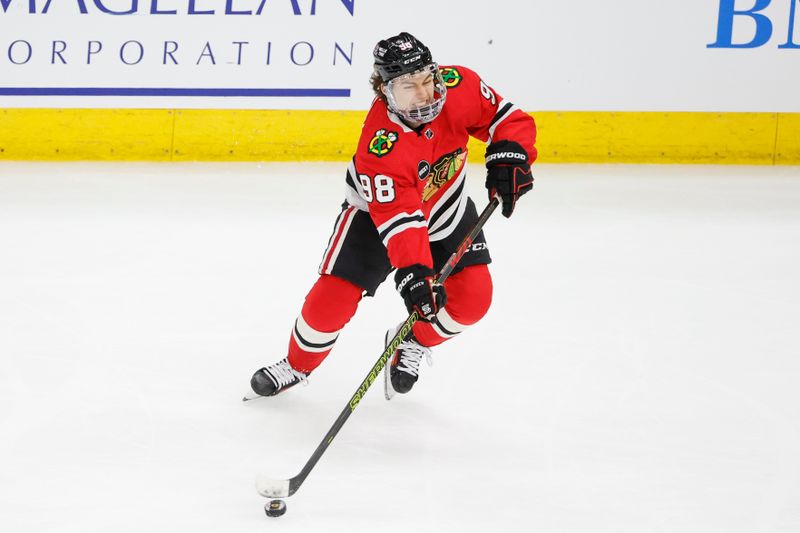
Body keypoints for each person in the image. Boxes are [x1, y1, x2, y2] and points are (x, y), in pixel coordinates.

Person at [249, 32, 536, 398]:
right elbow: (400, 219)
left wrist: (511, 153)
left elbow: (505, 117)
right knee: (330, 302)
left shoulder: (458, 85)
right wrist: (415, 274)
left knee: (474, 299)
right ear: (384, 90)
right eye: (407, 86)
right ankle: (296, 365)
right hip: (377, 220)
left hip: (445, 207)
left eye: (427, 79)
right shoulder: (379, 146)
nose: (425, 93)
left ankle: (411, 340)